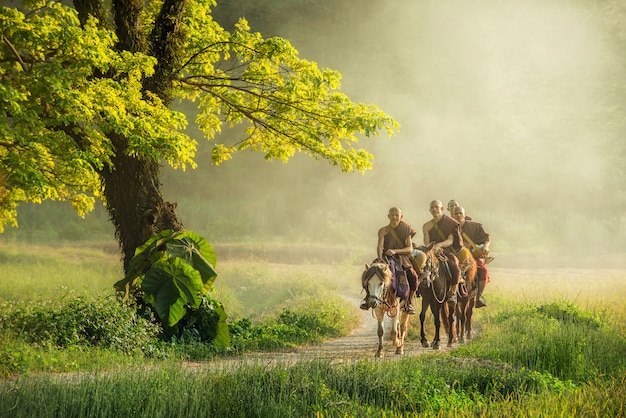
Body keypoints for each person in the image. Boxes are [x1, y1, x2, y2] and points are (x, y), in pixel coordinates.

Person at [360, 207, 419, 314]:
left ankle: (409, 303)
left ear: (401, 216)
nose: (394, 217)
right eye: (392, 215)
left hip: (402, 257)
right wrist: (380, 258)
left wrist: (395, 251)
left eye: (397, 215)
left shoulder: (406, 229)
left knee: (413, 277)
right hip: (385, 257)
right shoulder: (383, 230)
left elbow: (409, 249)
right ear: (388, 216)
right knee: (368, 273)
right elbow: (380, 246)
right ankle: (367, 299)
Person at [422, 200, 462, 301]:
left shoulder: (449, 222)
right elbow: (426, 242)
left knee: (455, 265)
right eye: (432, 208)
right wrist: (430, 249)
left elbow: (450, 240)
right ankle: (416, 292)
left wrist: (439, 245)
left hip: (446, 250)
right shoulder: (426, 225)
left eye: (436, 207)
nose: (434, 209)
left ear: (442, 209)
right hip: (430, 251)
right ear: (429, 210)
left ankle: (453, 293)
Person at [452, 206, 491, 308]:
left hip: (472, 257)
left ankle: (478, 298)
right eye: (456, 214)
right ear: (452, 215)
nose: (458, 215)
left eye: (460, 213)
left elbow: (486, 238)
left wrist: (486, 247)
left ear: (464, 215)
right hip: (454, 255)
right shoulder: (448, 227)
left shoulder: (475, 226)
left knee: (483, 271)